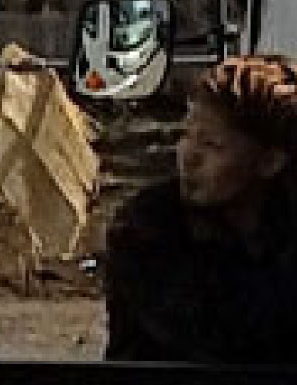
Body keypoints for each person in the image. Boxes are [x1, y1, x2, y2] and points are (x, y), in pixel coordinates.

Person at [102, 52, 297, 364]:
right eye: (187, 135)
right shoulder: (148, 225)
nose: (188, 156)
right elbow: (214, 333)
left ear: (271, 161)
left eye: (212, 146)